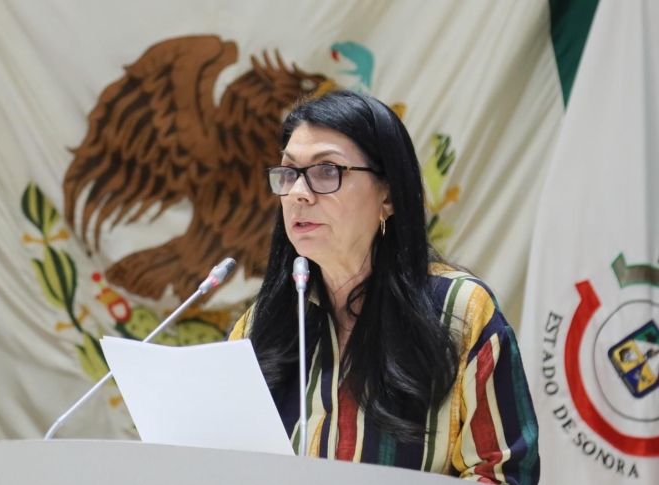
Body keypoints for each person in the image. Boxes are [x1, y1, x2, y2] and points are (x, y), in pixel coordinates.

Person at [227, 90, 539, 483]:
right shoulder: (259, 326)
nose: (298, 193)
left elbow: (503, 473)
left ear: (388, 195)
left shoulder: (460, 311)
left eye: (327, 171)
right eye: (289, 173)